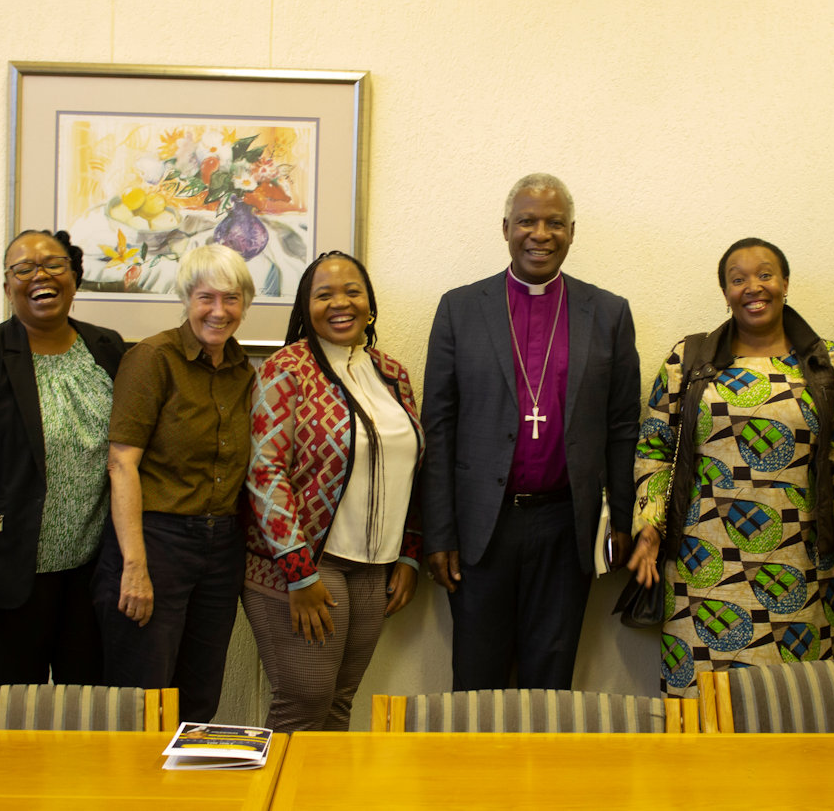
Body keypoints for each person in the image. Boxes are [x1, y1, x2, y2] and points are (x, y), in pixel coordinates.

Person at [628, 238, 834, 693]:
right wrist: (648, 529)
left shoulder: (827, 362)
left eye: (765, 274)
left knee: (792, 707)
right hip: (699, 567)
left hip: (801, 569)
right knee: (700, 710)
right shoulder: (686, 360)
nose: (753, 286)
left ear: (785, 282)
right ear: (725, 291)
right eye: (738, 278)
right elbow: (655, 450)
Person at [421, 173, 640, 690]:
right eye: (527, 221)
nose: (540, 233)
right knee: (477, 675)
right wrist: (440, 531)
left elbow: (623, 426)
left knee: (552, 675)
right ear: (505, 229)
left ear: (571, 232)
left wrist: (623, 520)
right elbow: (440, 425)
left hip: (567, 524)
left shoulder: (608, 313)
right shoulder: (460, 308)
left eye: (554, 223)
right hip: (482, 526)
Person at [0, 229, 124, 684]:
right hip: (10, 577)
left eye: (54, 264)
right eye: (24, 268)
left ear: (74, 277)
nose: (40, 275)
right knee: (17, 712)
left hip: (92, 575)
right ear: (7, 285)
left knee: (87, 708)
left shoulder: (107, 349)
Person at [243, 251, 424, 731]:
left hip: (375, 565)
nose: (340, 303)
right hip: (305, 564)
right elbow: (265, 473)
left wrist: (409, 553)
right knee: (303, 702)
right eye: (324, 294)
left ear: (370, 303)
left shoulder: (393, 374)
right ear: (306, 306)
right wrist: (299, 574)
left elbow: (410, 466)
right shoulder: (286, 369)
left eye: (352, 291)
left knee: (339, 703)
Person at [93, 244, 256, 722]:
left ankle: (188, 796)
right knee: (143, 700)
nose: (219, 311)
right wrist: (134, 566)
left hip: (221, 548)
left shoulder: (242, 371)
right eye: (206, 297)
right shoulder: (153, 358)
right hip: (156, 542)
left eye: (231, 299)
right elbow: (121, 463)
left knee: (200, 697)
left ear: (245, 304)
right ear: (187, 298)